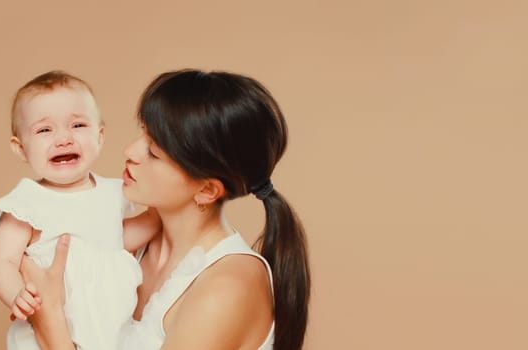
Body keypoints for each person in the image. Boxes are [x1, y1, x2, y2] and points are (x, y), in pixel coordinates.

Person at [20, 69, 311, 350]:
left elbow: (57, 323)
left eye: (154, 152)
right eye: (143, 134)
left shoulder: (227, 286)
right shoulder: (129, 244)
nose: (130, 152)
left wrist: (51, 324)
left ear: (207, 190)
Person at [0, 70, 159, 350]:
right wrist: (17, 294)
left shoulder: (112, 191)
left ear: (100, 136)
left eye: (77, 126)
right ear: (20, 149)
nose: (64, 139)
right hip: (50, 324)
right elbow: (4, 261)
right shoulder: (26, 201)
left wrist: (155, 218)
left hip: (109, 322)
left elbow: (117, 238)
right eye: (45, 130)